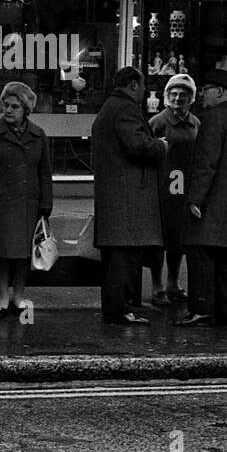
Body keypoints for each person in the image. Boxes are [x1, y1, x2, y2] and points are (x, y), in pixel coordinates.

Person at [91, 65, 168, 325]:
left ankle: (118, 308)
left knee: (117, 258)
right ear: (134, 84)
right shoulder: (125, 109)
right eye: (143, 85)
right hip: (127, 199)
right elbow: (138, 146)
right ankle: (120, 310)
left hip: (116, 197)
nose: (145, 90)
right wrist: (161, 145)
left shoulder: (110, 107)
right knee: (124, 258)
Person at [0, 81, 53, 317]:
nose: (8, 110)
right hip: (1, 203)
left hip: (27, 203)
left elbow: (44, 172)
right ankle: (2, 297)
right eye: (6, 106)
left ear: (26, 110)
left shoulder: (38, 135)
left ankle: (18, 296)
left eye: (15, 107)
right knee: (0, 252)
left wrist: (45, 204)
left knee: (23, 253)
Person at [176, 67, 227, 327]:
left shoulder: (214, 117)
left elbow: (206, 162)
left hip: (214, 202)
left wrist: (195, 198)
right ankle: (223, 310)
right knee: (225, 259)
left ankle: (202, 308)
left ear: (220, 92)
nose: (202, 96)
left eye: (206, 90)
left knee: (200, 253)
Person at [148, 73, 199, 306]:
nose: (179, 98)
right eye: (174, 94)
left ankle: (173, 283)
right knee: (160, 240)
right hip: (161, 189)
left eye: (184, 94)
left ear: (191, 98)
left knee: (178, 240)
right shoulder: (158, 122)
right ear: (167, 96)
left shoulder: (196, 123)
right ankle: (157, 286)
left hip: (184, 190)